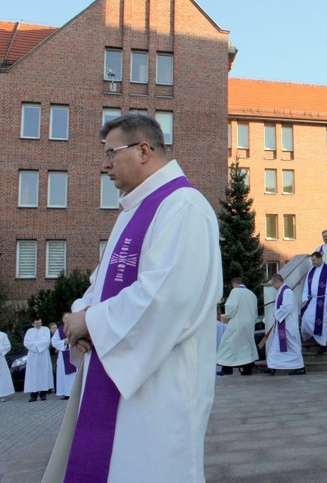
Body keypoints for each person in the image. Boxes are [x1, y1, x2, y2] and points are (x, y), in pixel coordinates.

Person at [43, 114, 222, 483]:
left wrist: (90, 321)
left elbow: (167, 298)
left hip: (159, 387)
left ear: (143, 150)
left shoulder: (183, 206)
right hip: (119, 375)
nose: (104, 164)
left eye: (111, 153)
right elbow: (101, 282)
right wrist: (79, 314)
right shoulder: (131, 211)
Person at [216, 277, 260, 376]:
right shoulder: (251, 294)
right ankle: (247, 369)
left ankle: (226, 369)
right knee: (246, 347)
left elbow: (231, 309)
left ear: (234, 284)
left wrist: (225, 316)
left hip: (237, 323)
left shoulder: (235, 292)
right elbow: (255, 312)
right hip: (249, 324)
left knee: (228, 345)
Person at [266, 274, 305, 375]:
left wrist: (276, 314)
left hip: (287, 325)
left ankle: (299, 367)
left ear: (278, 282)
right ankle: (272, 366)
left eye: (273, 284)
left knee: (292, 346)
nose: (273, 286)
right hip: (282, 325)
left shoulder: (287, 291)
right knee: (275, 347)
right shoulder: (282, 291)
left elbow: (287, 307)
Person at [301, 251, 327, 354]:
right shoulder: (311, 270)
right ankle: (310, 336)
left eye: (314, 260)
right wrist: (305, 296)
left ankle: (323, 344)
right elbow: (307, 285)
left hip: (324, 300)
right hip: (312, 300)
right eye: (312, 260)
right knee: (306, 319)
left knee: (322, 323)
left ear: (319, 259)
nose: (312, 262)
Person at [23, 318, 54, 402]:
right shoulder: (29, 331)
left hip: (43, 354)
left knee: (43, 373)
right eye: (37, 323)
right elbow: (27, 343)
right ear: (33, 324)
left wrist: (36, 345)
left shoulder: (46, 329)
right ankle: (34, 394)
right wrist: (36, 347)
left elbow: (46, 341)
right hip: (33, 355)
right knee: (33, 374)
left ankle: (43, 393)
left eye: (40, 323)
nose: (39, 324)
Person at [50, 315, 77, 400]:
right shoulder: (59, 330)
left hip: (76, 353)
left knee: (76, 373)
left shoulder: (76, 326)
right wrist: (65, 341)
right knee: (66, 376)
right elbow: (54, 342)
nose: (67, 319)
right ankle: (67, 393)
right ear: (62, 320)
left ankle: (76, 393)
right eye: (65, 318)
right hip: (64, 356)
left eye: (69, 317)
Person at [0, 330, 15, 402]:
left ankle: (1, 395)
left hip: (0, 358)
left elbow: (7, 346)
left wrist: (0, 350)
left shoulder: (2, 335)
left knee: (1, 376)